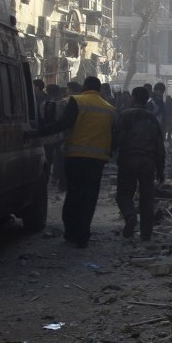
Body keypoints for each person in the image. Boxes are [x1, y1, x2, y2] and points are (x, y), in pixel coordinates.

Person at [37, 76, 116, 248]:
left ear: (85, 87)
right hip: (97, 160)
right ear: (99, 89)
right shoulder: (109, 109)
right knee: (89, 197)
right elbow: (113, 135)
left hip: (75, 156)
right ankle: (83, 234)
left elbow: (64, 124)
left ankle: (71, 232)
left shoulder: (77, 101)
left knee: (73, 194)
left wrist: (39, 132)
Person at [114, 86, 165, 241]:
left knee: (124, 194)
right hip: (148, 162)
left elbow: (117, 139)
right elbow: (159, 146)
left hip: (128, 159)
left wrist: (111, 153)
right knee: (147, 198)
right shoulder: (152, 118)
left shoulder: (124, 115)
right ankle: (146, 233)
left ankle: (130, 216)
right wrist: (161, 169)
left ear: (134, 98)